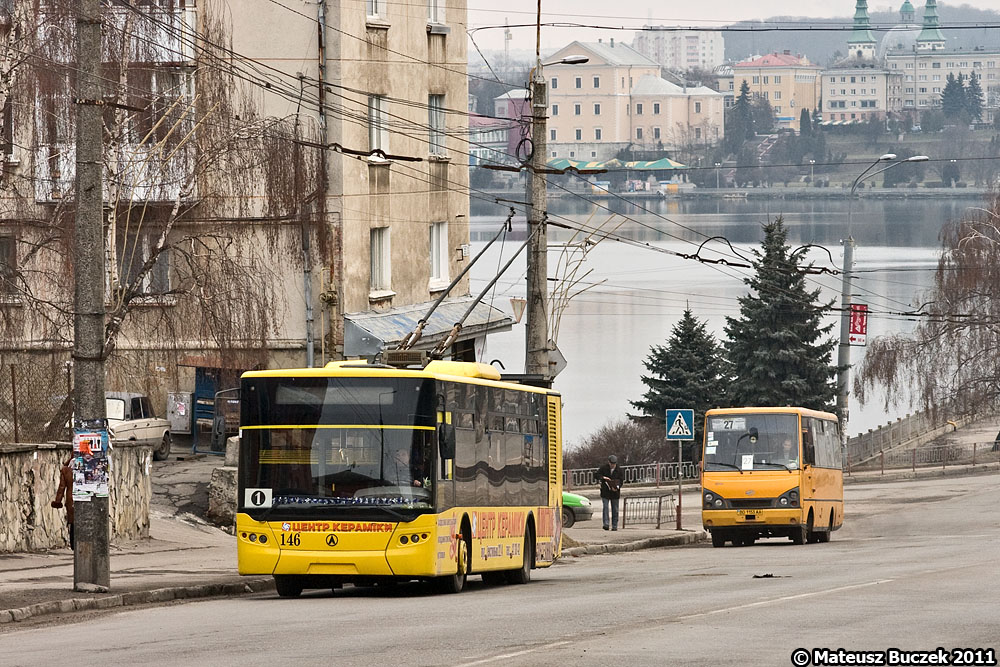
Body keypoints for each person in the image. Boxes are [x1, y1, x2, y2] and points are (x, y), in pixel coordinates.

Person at [50, 455, 74, 549]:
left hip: (71, 499)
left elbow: (61, 487)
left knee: (73, 522)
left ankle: (73, 543)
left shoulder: (66, 470)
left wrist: (58, 501)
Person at [597, 454, 625, 531]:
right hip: (605, 491)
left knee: (615, 509)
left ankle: (614, 525)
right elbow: (597, 475)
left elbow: (621, 481)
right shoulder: (604, 468)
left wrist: (617, 487)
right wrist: (603, 478)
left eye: (614, 464)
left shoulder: (619, 470)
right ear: (608, 462)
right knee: (605, 507)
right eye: (611, 464)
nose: (612, 465)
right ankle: (606, 524)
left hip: (615, 492)